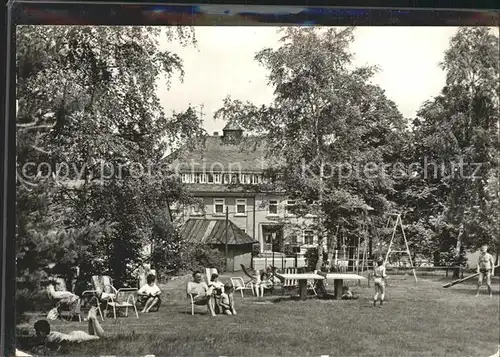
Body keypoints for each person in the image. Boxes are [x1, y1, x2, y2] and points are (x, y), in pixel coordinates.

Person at [34, 307, 105, 349]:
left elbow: (45, 346)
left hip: (79, 337)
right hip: (74, 335)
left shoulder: (49, 339)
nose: (36, 334)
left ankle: (94, 318)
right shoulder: (50, 335)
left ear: (41, 332)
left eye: (37, 331)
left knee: (100, 338)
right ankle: (90, 319)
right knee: (92, 336)